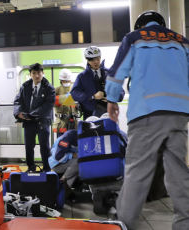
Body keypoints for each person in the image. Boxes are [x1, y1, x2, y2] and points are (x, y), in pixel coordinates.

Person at [105, 11, 189, 230]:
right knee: (178, 172)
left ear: (140, 25)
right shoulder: (182, 41)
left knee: (137, 172)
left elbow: (116, 73)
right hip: (179, 114)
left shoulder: (134, 38)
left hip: (147, 112)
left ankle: (124, 224)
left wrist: (112, 99)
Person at [13, 63, 55, 172]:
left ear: (43, 73)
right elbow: (18, 101)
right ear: (30, 74)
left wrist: (30, 115)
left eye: (39, 73)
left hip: (42, 121)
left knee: (44, 147)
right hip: (28, 122)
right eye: (34, 73)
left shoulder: (49, 88)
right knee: (29, 147)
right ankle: (31, 167)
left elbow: (47, 105)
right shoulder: (25, 86)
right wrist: (18, 113)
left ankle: (47, 168)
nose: (37, 76)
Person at [71, 46, 123, 119]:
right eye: (92, 60)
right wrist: (92, 96)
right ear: (87, 60)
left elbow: (120, 92)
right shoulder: (82, 77)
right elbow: (74, 93)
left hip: (110, 113)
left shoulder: (110, 74)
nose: (95, 62)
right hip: (89, 115)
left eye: (97, 58)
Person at [53, 68, 79, 138]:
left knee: (74, 145)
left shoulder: (74, 89)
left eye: (68, 80)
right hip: (62, 123)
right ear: (61, 80)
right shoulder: (57, 90)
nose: (67, 81)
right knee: (62, 144)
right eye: (64, 80)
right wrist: (68, 97)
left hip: (74, 122)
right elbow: (52, 101)